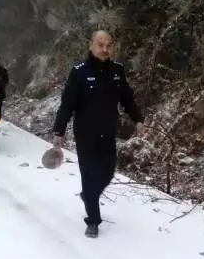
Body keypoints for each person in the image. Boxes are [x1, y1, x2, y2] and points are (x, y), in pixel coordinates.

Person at [52, 29, 145, 238]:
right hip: (85, 136)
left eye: (109, 45)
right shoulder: (79, 73)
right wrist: (59, 131)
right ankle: (93, 220)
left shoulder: (117, 71)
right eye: (100, 45)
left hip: (108, 133)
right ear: (91, 46)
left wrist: (138, 119)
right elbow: (67, 104)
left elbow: (127, 98)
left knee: (108, 172)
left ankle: (88, 196)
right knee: (89, 175)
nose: (105, 49)